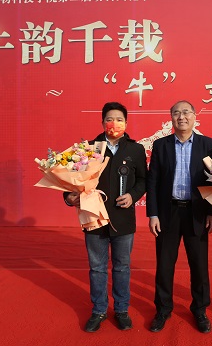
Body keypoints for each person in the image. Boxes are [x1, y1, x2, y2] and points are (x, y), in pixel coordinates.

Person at [64, 102, 147, 332]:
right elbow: (70, 181)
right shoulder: (88, 149)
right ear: (102, 122)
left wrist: (132, 196)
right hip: (94, 218)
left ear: (126, 123)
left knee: (122, 267)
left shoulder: (135, 149)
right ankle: (99, 310)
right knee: (97, 267)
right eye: (110, 119)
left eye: (119, 119)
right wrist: (69, 197)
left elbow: (143, 179)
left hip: (123, 218)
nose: (114, 123)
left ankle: (121, 309)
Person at [146, 100, 212, 334]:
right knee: (164, 265)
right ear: (171, 118)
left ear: (195, 116)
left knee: (199, 264)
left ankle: (200, 309)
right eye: (176, 113)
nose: (182, 117)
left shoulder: (208, 144)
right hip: (168, 213)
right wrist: (153, 214)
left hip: (197, 213)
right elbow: (153, 181)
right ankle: (163, 309)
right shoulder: (161, 145)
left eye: (186, 112)